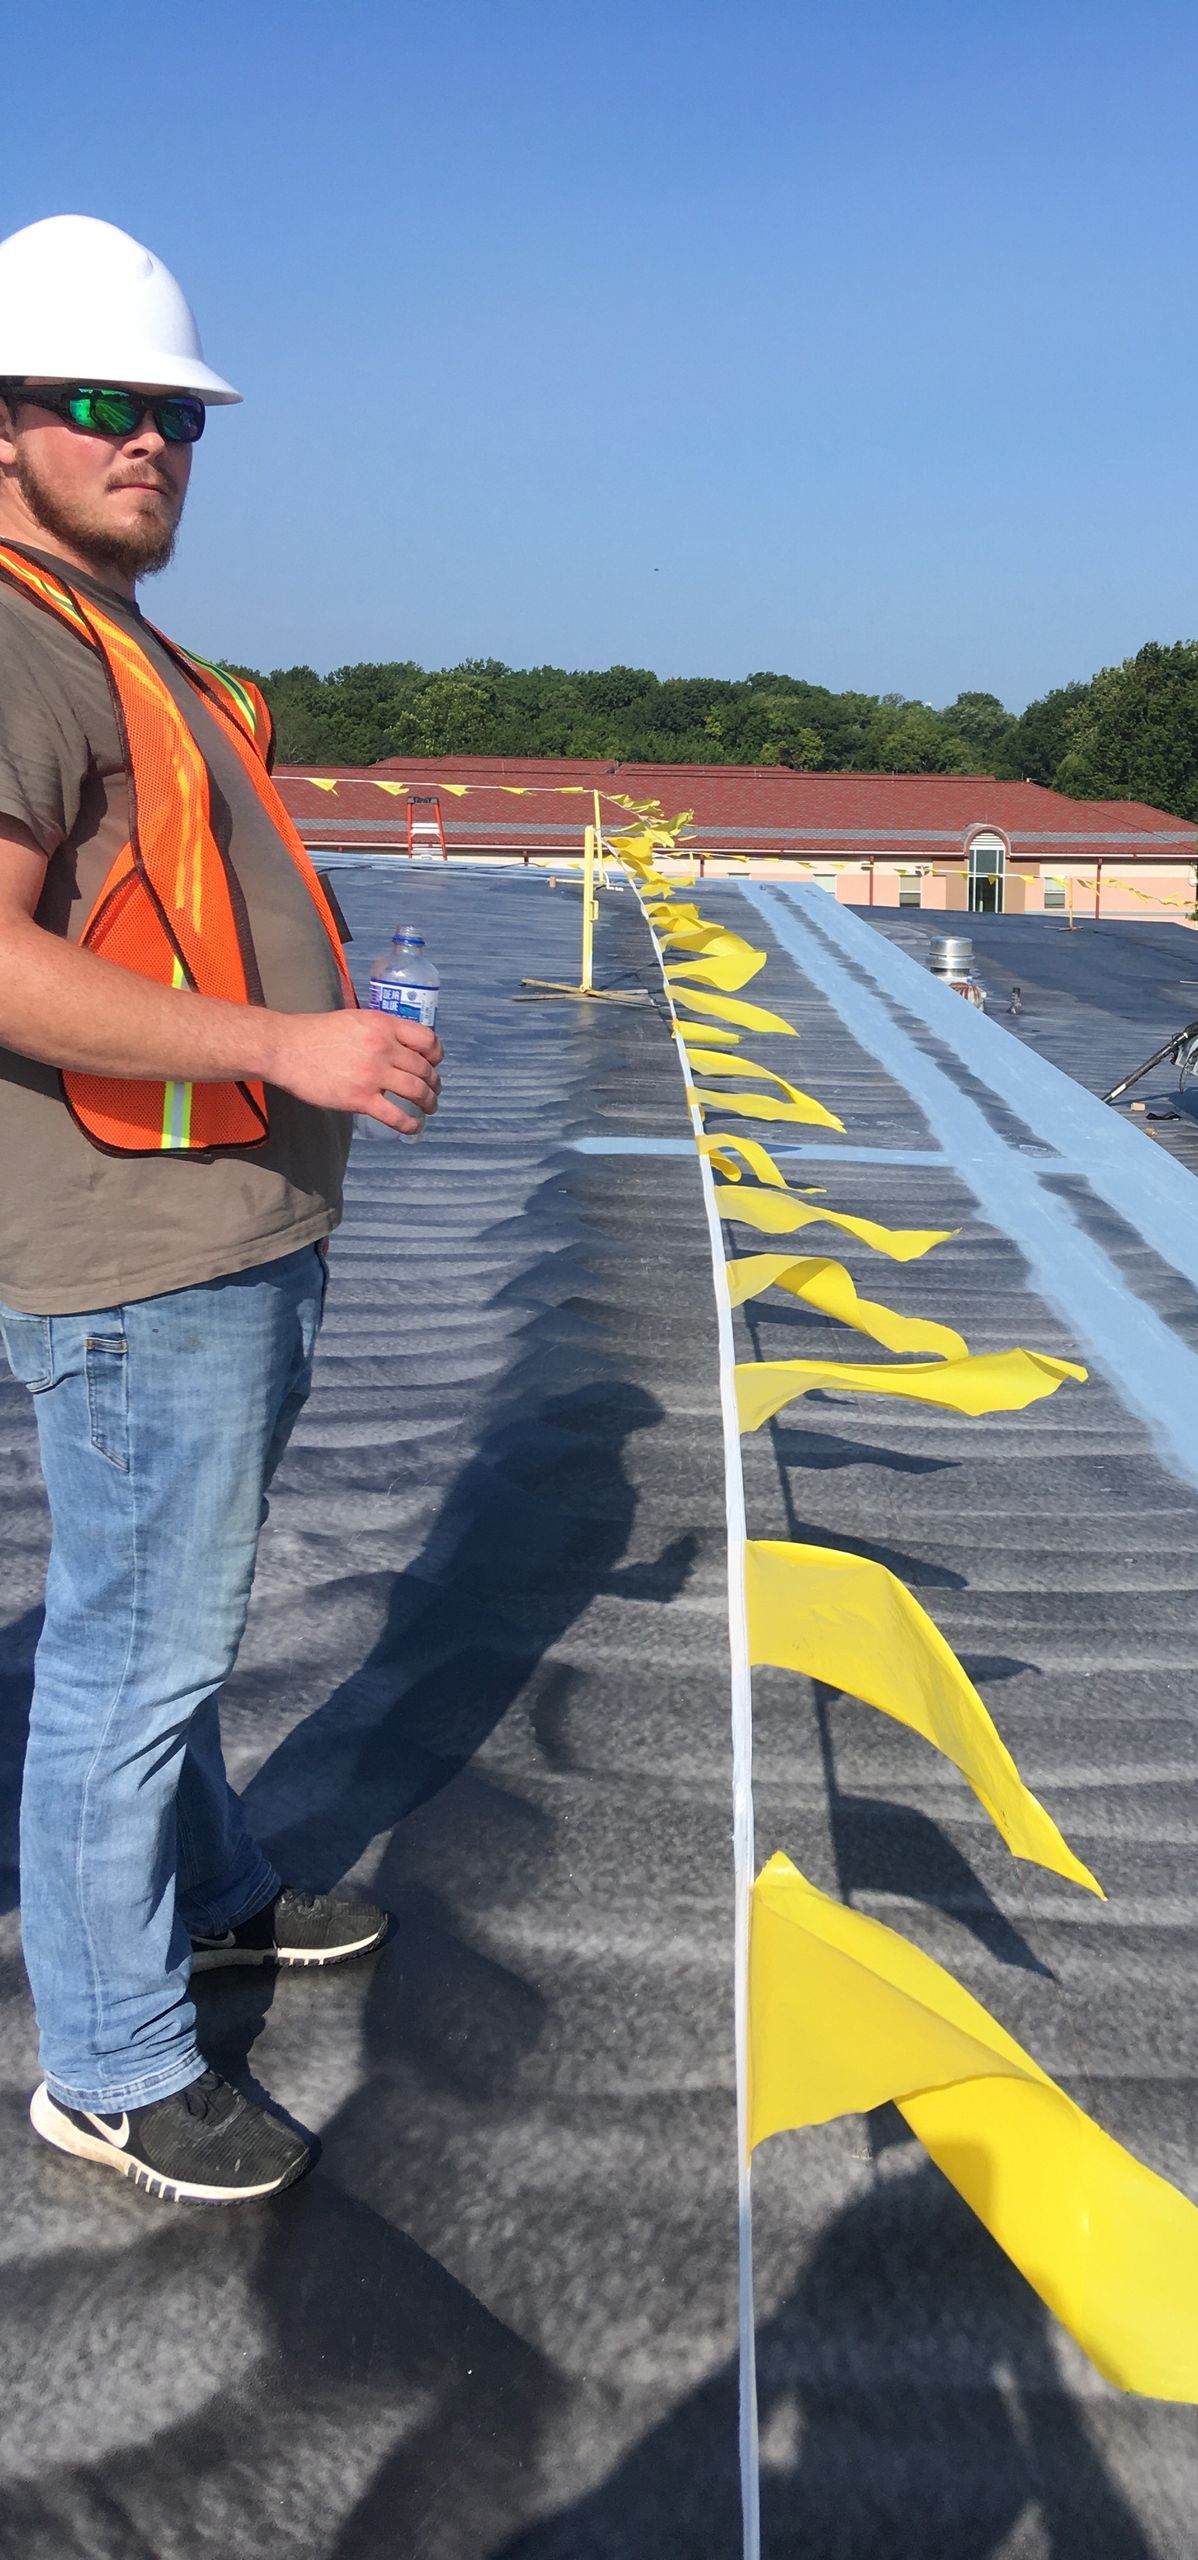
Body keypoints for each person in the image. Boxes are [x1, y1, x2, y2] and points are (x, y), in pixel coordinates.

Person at [0, 216, 443, 2205]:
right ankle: (108, 2056)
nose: (150, 440)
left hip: (216, 1232)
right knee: (131, 1658)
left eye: (173, 411)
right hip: (141, 1254)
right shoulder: (13, 635)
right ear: (6, 422)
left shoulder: (107, 629)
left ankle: (217, 1889)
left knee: (155, 1630)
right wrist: (295, 1038)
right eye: (102, 403)